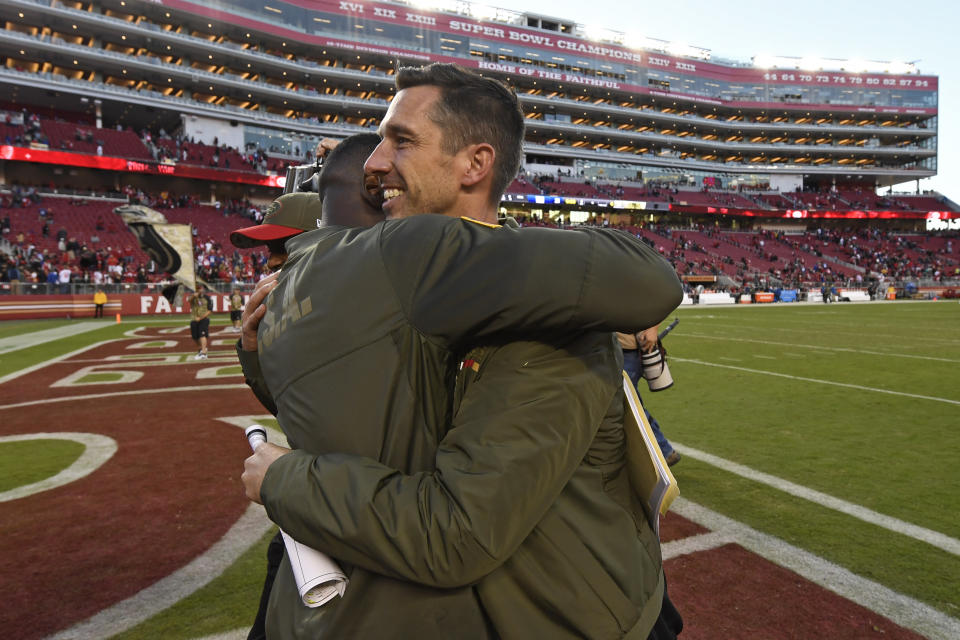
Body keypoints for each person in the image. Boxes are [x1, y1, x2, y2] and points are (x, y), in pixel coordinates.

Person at [242, 63, 682, 639]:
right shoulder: (391, 288)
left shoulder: (539, 317)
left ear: (475, 163)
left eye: (401, 140)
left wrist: (286, 481)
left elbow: (458, 533)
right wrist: (262, 354)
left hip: (558, 613)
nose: (374, 164)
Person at [233, 133, 384, 640]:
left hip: (355, 517)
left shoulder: (364, 305)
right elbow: (289, 404)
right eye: (268, 255)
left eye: (282, 252)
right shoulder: (300, 309)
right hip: (310, 512)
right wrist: (253, 348)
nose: (271, 267)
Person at [617, 326, 681, 466]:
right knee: (629, 405)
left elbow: (656, 303)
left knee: (628, 407)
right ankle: (664, 451)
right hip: (612, 349)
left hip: (627, 351)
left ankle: (664, 450)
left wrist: (652, 329)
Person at [187, 284, 213, 359]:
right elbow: (189, 301)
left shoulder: (207, 298)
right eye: (198, 289)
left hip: (204, 319)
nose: (200, 290)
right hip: (194, 319)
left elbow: (210, 310)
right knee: (195, 337)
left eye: (201, 289)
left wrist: (201, 318)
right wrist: (193, 296)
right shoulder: (193, 297)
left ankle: (204, 353)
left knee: (202, 335)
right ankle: (201, 348)